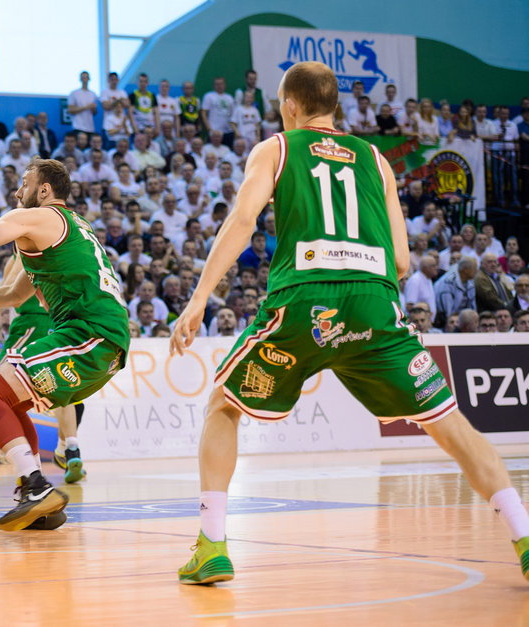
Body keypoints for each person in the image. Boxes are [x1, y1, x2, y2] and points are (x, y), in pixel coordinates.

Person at [169, 61, 529, 585]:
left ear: (290, 106)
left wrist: (199, 297)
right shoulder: (376, 160)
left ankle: (212, 547)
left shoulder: (276, 148)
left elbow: (243, 222)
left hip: (305, 300)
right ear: (334, 105)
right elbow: (403, 263)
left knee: (224, 404)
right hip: (376, 304)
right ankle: (523, 535)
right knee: (449, 424)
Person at [0, 158, 130, 531]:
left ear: (44, 191)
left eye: (24, 183)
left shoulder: (42, 217)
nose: (17, 192)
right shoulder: (69, 228)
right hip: (102, 342)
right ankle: (40, 499)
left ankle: (36, 486)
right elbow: (13, 295)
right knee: (7, 403)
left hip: (91, 333)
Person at [0, 254, 88, 492]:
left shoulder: (22, 255)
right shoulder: (57, 252)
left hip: (31, 325)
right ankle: (70, 448)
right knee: (61, 391)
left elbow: (4, 293)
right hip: (59, 325)